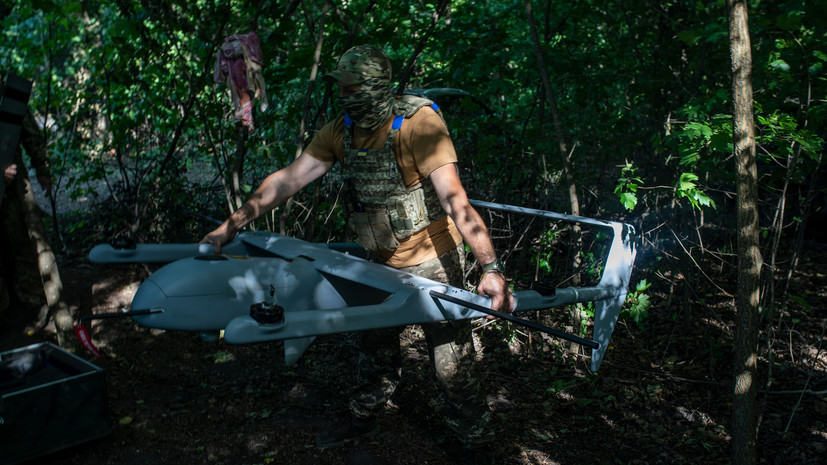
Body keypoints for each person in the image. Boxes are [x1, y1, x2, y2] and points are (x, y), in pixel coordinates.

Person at [201, 45, 513, 462]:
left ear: (374, 87)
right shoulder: (340, 131)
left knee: (451, 362)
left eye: (351, 89)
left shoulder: (419, 125)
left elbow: (456, 200)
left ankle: (475, 440)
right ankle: (364, 413)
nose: (343, 97)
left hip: (435, 261)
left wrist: (490, 267)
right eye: (340, 89)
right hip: (380, 262)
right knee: (373, 343)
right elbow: (286, 181)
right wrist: (230, 225)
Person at [0, 109, 52, 317]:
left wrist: (42, 168)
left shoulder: (6, 90)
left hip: (14, 190)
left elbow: (30, 134)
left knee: (23, 239)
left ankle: (31, 299)